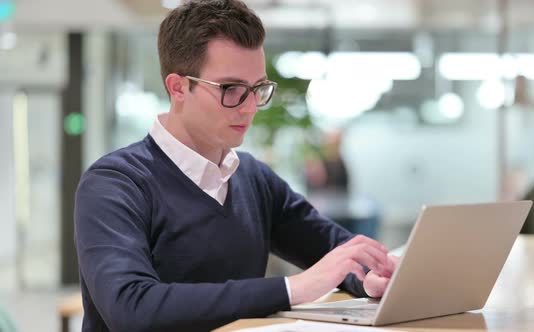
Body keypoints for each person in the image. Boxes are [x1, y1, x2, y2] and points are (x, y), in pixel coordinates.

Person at [74, 1, 398, 331]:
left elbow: (335, 250)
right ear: (178, 87)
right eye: (231, 89)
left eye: (257, 88)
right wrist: (292, 289)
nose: (249, 108)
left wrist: (371, 277)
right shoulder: (115, 184)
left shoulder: (253, 178)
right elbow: (132, 308)